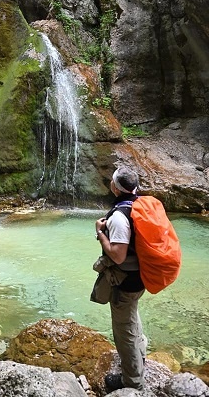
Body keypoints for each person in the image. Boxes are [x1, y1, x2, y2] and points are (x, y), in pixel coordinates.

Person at [95, 166, 147, 392]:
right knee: (131, 315)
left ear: (115, 187)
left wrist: (100, 233)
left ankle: (132, 381)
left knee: (123, 330)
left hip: (125, 280)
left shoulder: (118, 216)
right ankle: (141, 352)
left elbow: (117, 255)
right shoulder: (139, 205)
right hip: (139, 276)